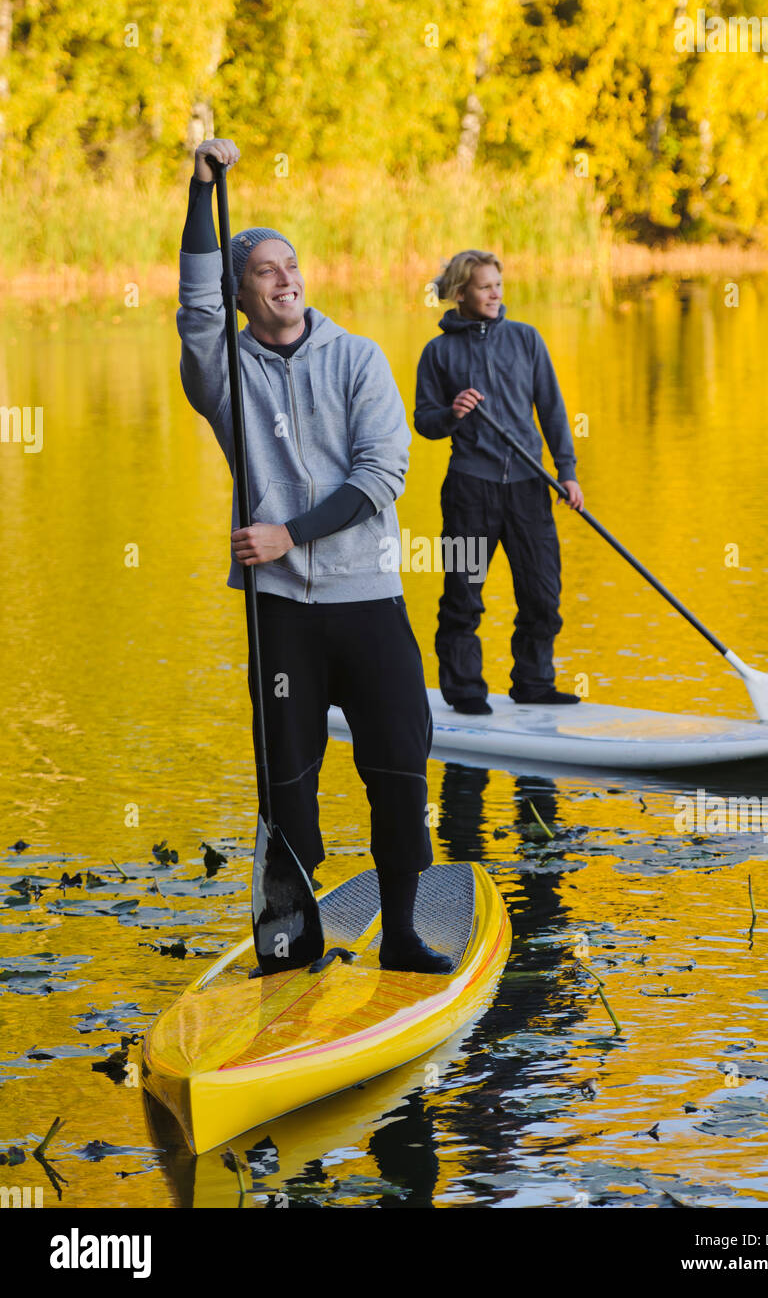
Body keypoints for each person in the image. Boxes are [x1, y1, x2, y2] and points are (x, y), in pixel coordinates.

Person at [177, 136, 450, 973]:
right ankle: (294, 945)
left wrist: (289, 533)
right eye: (264, 270)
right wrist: (197, 194)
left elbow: (384, 474)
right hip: (282, 615)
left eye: (291, 265)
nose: (285, 277)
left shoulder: (360, 358)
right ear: (242, 291)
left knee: (400, 764)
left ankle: (402, 934)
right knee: (287, 782)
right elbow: (193, 307)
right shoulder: (224, 371)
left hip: (366, 600)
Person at [414, 250, 584, 715]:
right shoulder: (438, 353)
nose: (495, 294)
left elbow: (552, 411)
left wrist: (566, 473)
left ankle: (534, 683)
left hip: (530, 487)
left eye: (498, 285)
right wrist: (452, 414)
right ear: (461, 292)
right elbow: (424, 422)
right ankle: (465, 690)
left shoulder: (526, 340)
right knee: (463, 595)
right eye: (485, 286)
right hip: (469, 490)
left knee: (542, 595)